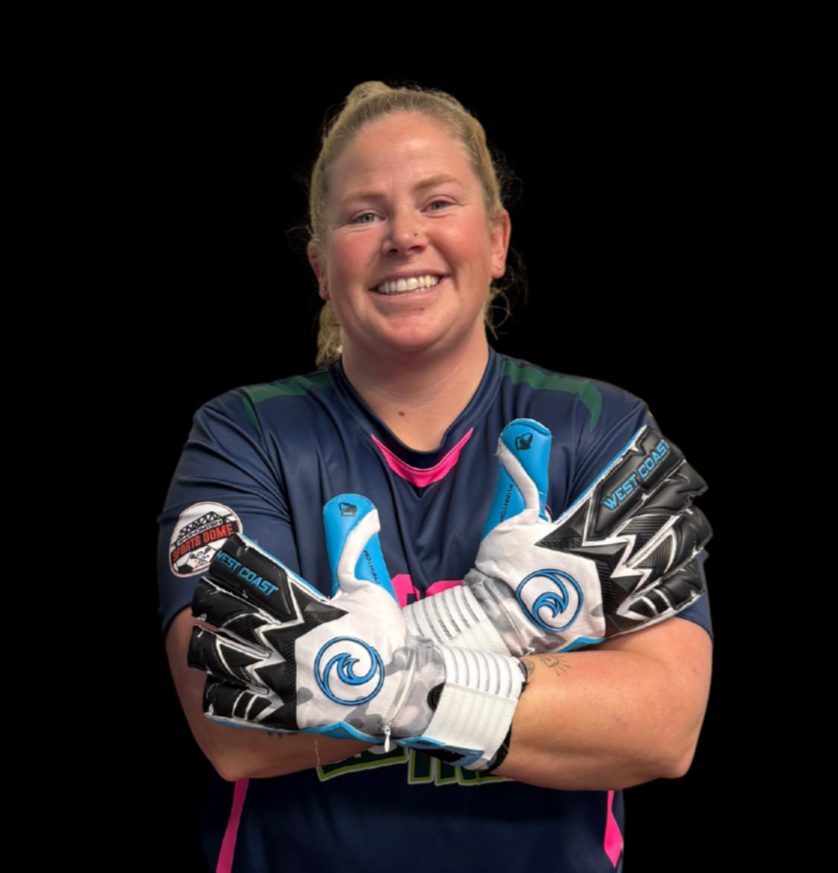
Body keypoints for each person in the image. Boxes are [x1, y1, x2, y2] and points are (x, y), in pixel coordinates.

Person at [158, 81, 713, 873]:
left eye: (437, 202)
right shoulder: (244, 434)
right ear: (321, 265)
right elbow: (232, 721)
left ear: (496, 241)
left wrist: (346, 665)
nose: (403, 236)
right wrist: (506, 621)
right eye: (364, 214)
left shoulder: (601, 424)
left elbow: (662, 723)